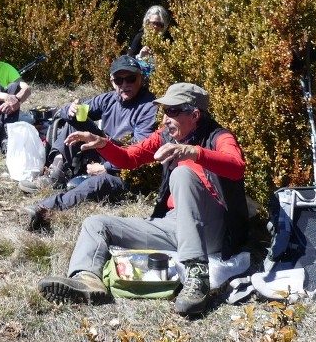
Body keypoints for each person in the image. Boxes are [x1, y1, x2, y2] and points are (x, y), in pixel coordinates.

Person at [37, 83, 248, 317]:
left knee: (182, 173)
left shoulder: (219, 137)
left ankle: (197, 277)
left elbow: (236, 167)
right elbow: (129, 157)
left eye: (173, 111)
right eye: (165, 111)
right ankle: (88, 281)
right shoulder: (166, 136)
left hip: (210, 227)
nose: (166, 118)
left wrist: (194, 153)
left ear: (195, 114)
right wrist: (103, 144)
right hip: (174, 224)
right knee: (96, 224)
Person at [19, 55, 157, 230]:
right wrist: (69, 110)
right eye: (119, 80)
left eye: (130, 79)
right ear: (112, 81)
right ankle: (56, 172)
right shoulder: (109, 99)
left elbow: (138, 154)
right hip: (104, 151)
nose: (124, 85)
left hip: (125, 170)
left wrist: (106, 167)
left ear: (141, 78)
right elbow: (66, 112)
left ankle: (43, 208)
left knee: (98, 183)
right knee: (75, 119)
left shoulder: (149, 108)